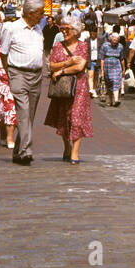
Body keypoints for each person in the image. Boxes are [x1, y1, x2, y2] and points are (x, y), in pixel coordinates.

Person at [0, 0, 47, 165]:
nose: (43, 16)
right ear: (30, 13)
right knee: (24, 112)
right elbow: (3, 53)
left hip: (36, 75)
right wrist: (10, 73)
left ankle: (18, 151)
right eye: (41, 13)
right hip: (18, 73)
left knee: (29, 115)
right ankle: (26, 151)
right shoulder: (11, 28)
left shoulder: (38, 29)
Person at [45, 16, 93, 162]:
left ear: (77, 31)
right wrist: (68, 62)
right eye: (62, 28)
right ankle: (67, 147)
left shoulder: (83, 46)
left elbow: (80, 67)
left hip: (79, 87)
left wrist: (62, 71)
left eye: (67, 29)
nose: (64, 31)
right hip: (62, 89)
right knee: (64, 119)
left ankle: (75, 153)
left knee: (76, 118)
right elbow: (51, 66)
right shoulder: (58, 46)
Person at [99, 31, 126, 106]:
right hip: (107, 65)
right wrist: (102, 70)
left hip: (117, 64)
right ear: (111, 39)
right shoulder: (105, 46)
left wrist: (124, 69)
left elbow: (122, 58)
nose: (115, 42)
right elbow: (102, 58)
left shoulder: (120, 46)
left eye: (117, 40)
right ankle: (110, 100)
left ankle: (116, 99)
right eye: (114, 40)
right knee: (109, 83)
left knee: (116, 81)